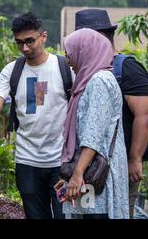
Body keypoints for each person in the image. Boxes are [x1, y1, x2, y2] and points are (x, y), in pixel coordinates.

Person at [0, 12, 73, 219]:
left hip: (60, 160)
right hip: (27, 159)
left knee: (64, 215)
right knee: (35, 215)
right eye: (19, 43)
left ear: (44, 36)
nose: (25, 48)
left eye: (30, 41)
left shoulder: (63, 68)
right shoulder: (12, 70)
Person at [74, 9, 148, 218]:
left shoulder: (126, 69)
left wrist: (134, 159)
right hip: (91, 165)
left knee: (119, 211)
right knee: (89, 213)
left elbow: (144, 115)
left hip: (119, 164)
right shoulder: (85, 72)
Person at [55, 28, 129, 219]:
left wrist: (77, 174)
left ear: (85, 51)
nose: (67, 58)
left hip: (98, 177)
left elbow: (92, 136)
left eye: (70, 51)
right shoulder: (89, 82)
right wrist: (69, 176)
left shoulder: (99, 81)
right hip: (92, 173)